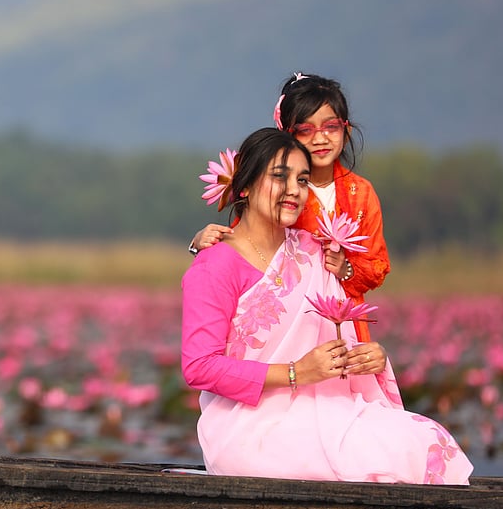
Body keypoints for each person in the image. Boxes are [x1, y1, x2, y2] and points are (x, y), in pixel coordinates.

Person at [180, 127, 471, 485]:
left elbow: (336, 337)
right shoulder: (214, 265)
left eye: (302, 180)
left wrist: (369, 359)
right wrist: (295, 373)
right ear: (245, 186)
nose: (293, 191)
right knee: (371, 458)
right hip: (248, 426)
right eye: (279, 176)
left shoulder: (311, 250)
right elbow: (199, 367)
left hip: (324, 407)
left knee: (426, 439)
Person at [190, 73, 388, 342]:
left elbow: (377, 265)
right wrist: (201, 245)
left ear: (347, 129)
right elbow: (246, 245)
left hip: (343, 324)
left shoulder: (361, 193)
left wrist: (346, 269)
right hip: (286, 324)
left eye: (331, 127)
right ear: (286, 135)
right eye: (305, 130)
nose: (320, 139)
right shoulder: (272, 189)